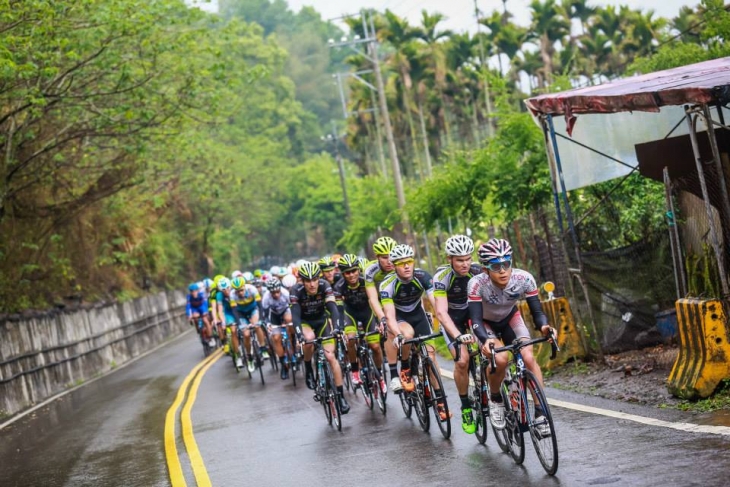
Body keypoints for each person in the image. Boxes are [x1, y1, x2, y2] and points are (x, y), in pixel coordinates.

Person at [467, 238, 557, 435]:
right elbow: (474, 319)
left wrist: (544, 327)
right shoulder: (476, 284)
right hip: (485, 323)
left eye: (506, 264)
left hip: (510, 318)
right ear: (485, 269)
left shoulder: (524, 279)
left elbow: (537, 313)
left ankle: (541, 414)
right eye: (496, 266)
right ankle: (496, 398)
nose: (502, 270)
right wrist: (484, 339)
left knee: (528, 358)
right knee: (500, 358)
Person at [380, 244, 449, 420]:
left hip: (419, 315)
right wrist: (398, 334)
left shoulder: (422, 276)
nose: (406, 266)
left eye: (409, 261)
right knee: (408, 335)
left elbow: (435, 302)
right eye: (401, 263)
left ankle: (440, 402)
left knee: (431, 357)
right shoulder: (388, 284)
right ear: (394, 265)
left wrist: (443, 322)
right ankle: (404, 367)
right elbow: (389, 315)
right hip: (400, 318)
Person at [433, 235, 483, 434]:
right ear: (450, 259)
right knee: (462, 361)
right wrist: (457, 335)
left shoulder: (479, 271)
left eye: (468, 259)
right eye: (460, 260)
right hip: (452, 319)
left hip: (474, 314)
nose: (465, 264)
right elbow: (441, 313)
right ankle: (466, 407)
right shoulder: (442, 277)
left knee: (492, 349)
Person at [290, 261, 350, 414]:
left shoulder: (324, 286)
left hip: (321, 321)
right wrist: (299, 335)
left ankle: (340, 396)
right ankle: (309, 367)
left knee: (331, 357)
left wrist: (337, 327)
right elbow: (295, 316)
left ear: (319, 278)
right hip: (305, 322)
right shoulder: (296, 290)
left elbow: (333, 308)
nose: (312, 284)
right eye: (308, 281)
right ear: (302, 281)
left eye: (315, 279)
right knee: (308, 338)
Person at [332, 253, 385, 391]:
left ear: (359, 270)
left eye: (354, 271)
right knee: (350, 339)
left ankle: (379, 376)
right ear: (343, 274)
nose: (351, 275)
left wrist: (381, 320)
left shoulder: (365, 281)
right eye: (347, 272)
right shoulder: (339, 287)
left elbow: (377, 301)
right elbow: (338, 308)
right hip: (350, 314)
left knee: (375, 346)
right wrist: (340, 327)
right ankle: (355, 371)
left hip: (367, 313)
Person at [364, 236, 397, 389]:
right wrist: (382, 318)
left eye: (391, 256)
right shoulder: (371, 270)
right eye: (385, 257)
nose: (390, 261)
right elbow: (372, 298)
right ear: (377, 257)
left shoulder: (400, 264)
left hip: (397, 300)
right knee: (387, 330)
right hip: (379, 301)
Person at [230, 276, 268, 373]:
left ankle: (263, 348)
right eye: (237, 291)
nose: (240, 293)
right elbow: (234, 311)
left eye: (241, 290)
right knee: (246, 334)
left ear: (245, 287)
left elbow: (260, 305)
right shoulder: (232, 295)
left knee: (257, 325)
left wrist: (261, 319)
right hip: (241, 313)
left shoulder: (252, 289)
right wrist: (239, 324)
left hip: (253, 309)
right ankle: (249, 357)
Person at [262, 277, 294, 380]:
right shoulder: (266, 298)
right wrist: (268, 324)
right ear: (269, 292)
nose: (276, 294)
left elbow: (293, 308)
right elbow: (265, 315)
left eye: (277, 292)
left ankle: (293, 346)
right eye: (273, 293)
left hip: (286, 311)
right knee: (276, 338)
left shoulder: (285, 293)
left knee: (290, 320)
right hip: (274, 315)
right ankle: (283, 365)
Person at [215, 277, 245, 369]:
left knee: (245, 328)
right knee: (233, 330)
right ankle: (238, 356)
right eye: (223, 290)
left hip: (239, 310)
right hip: (229, 313)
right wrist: (223, 322)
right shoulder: (219, 295)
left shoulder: (235, 291)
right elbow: (220, 310)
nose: (226, 291)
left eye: (228, 288)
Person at [187, 283, 214, 347]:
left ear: (198, 291)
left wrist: (205, 312)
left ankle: (211, 337)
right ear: (190, 292)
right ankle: (199, 331)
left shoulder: (201, 295)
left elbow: (205, 303)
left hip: (202, 308)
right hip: (195, 309)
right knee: (195, 319)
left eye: (195, 291)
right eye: (192, 291)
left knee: (206, 321)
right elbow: (188, 307)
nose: (194, 293)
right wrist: (189, 315)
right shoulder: (189, 297)